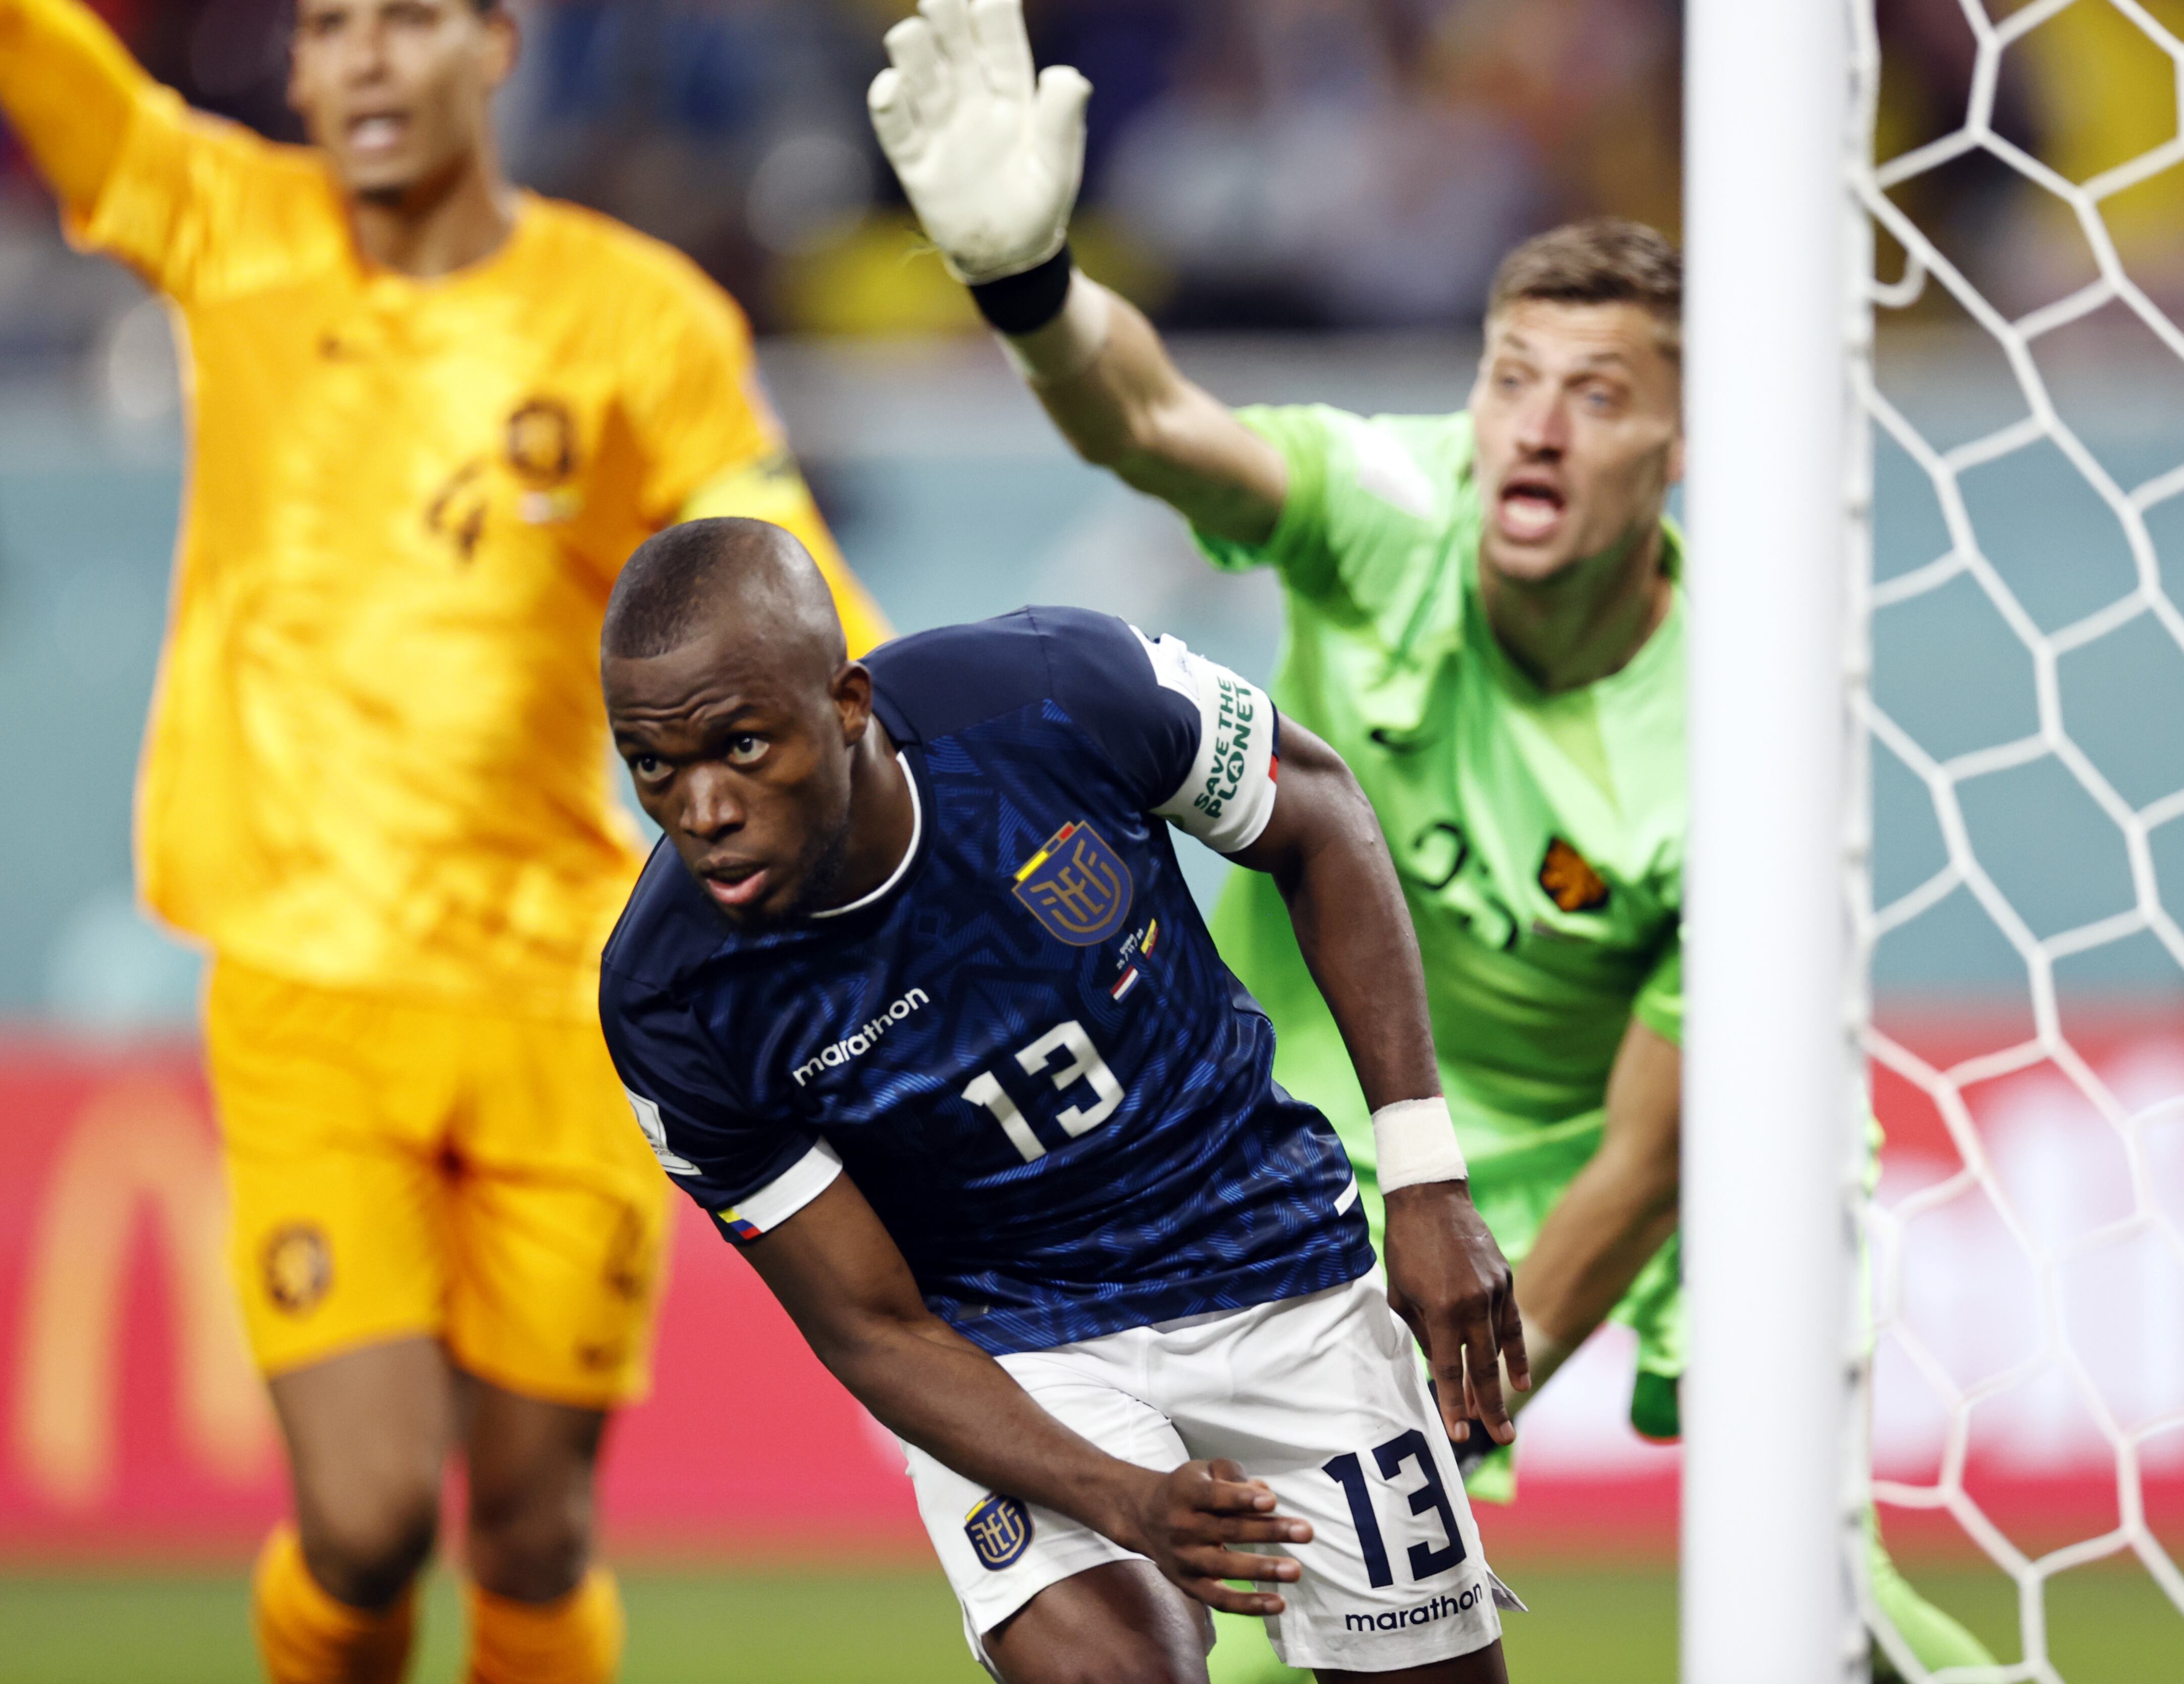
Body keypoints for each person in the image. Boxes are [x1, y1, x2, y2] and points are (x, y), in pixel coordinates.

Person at [865, 2, 1998, 1676]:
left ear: (1683, 452)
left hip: (1669, 1151)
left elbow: (1649, 1153)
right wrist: (1031, 291)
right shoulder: (1391, 513)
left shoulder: (1745, 731)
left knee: (1825, 1615)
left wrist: (1464, 1387)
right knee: (1257, 1629)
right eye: (1511, 379)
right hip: (1319, 1125)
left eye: (1597, 395)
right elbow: (1157, 422)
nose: (1533, 429)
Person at [0, 4, 889, 1680]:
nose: (362, 65)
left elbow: (785, 571)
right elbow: (52, 68)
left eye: (406, 21)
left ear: (493, 43)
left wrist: (926, 741)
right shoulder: (234, 227)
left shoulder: (636, 318)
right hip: (311, 985)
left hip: (565, 998)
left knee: (538, 1530)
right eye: (326, 28)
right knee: (366, 1514)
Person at [596, 516, 1526, 1682]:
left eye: (740, 744)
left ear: (846, 704)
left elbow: (1321, 813)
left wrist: (1427, 1180)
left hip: (1266, 1257)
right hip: (1013, 1343)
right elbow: (871, 1326)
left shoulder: (1056, 695)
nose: (702, 809)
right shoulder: (673, 1000)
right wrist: (1126, 1500)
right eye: (654, 765)